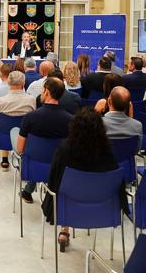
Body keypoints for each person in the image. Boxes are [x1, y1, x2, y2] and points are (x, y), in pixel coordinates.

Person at [41, 108, 125, 252]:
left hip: (68, 209)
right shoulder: (107, 153)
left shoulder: (64, 150)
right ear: (101, 130)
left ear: (73, 128)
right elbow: (117, 181)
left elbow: (54, 181)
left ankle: (64, 230)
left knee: (63, 190)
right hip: (102, 210)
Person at [12, 77, 71, 204]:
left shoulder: (30, 117)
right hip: (60, 169)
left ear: (46, 92)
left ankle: (28, 190)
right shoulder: (70, 120)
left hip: (33, 167)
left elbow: (20, 149)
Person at [0, 71, 36, 169]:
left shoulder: (0, 102)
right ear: (23, 83)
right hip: (25, 141)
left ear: (8, 83)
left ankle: (5, 159)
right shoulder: (31, 100)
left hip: (3, 139)